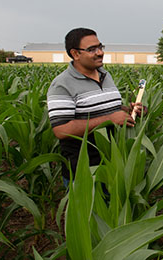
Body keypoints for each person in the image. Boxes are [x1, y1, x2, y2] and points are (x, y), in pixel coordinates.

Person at [47, 27, 143, 185]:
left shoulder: (105, 75)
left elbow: (110, 108)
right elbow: (62, 129)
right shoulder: (62, 84)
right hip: (84, 173)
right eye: (92, 49)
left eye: (100, 47)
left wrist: (128, 111)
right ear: (75, 54)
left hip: (114, 166)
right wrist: (109, 119)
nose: (100, 52)